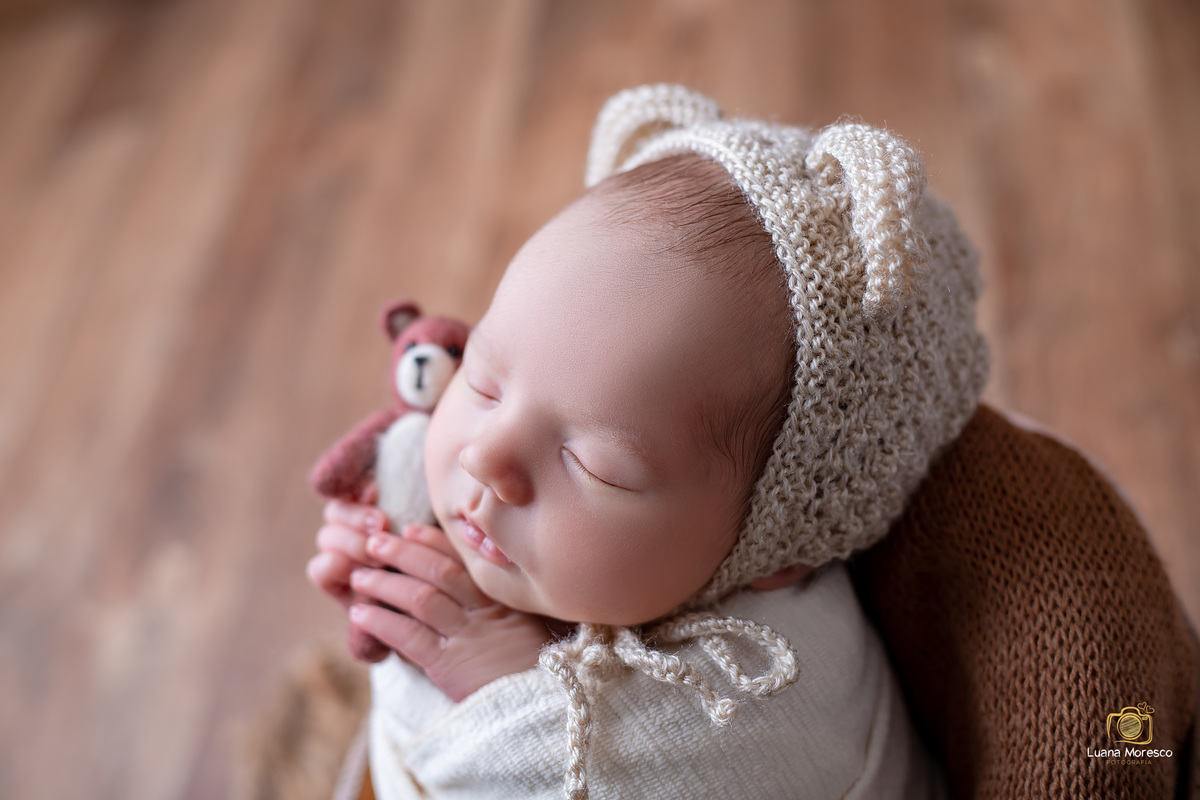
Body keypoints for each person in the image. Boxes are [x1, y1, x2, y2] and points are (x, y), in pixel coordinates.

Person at [307, 84, 988, 799]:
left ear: (774, 554)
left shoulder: (768, 699)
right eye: (482, 378)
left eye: (593, 466)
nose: (484, 457)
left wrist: (504, 691)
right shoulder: (623, 557)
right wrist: (392, 562)